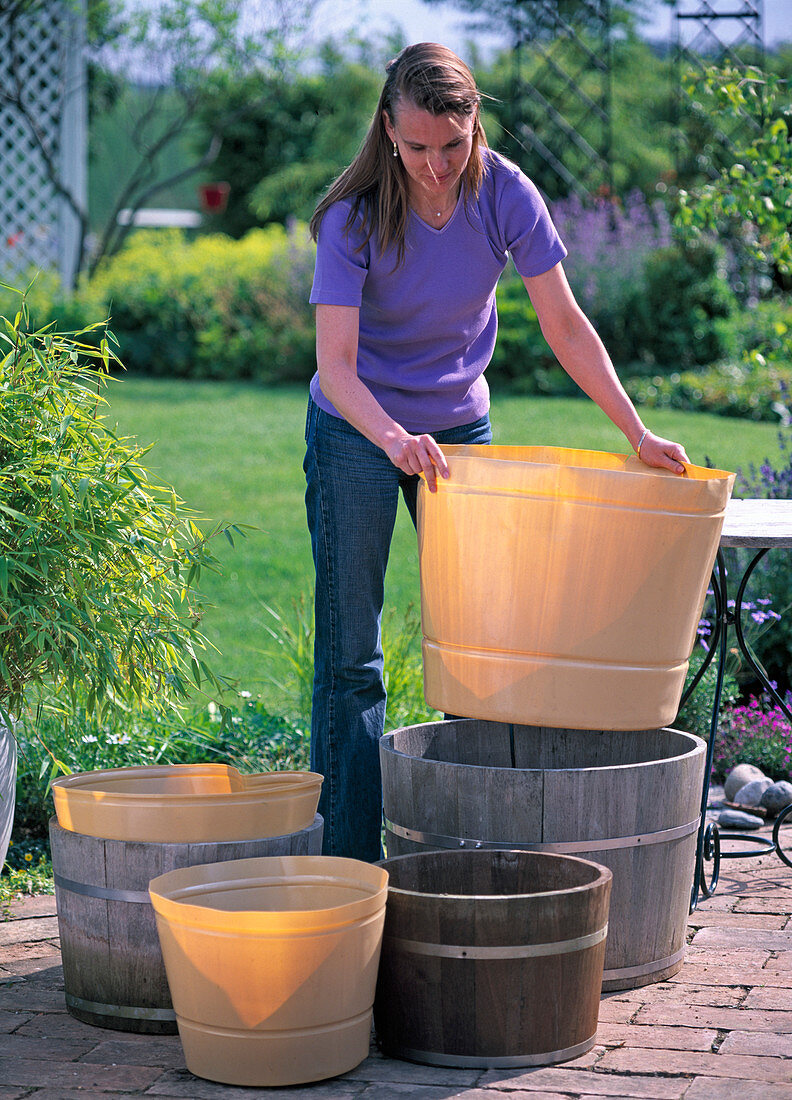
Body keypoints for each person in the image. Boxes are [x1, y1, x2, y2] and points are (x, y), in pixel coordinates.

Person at [305, 41, 689, 862]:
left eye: (454, 142)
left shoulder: (504, 191)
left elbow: (564, 323)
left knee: (484, 651)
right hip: (356, 430)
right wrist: (393, 438)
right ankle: (348, 864)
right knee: (352, 657)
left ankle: (463, 853)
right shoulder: (354, 217)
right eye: (417, 148)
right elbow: (334, 368)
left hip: (457, 435)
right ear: (388, 131)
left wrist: (636, 430)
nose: (437, 166)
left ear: (475, 123)